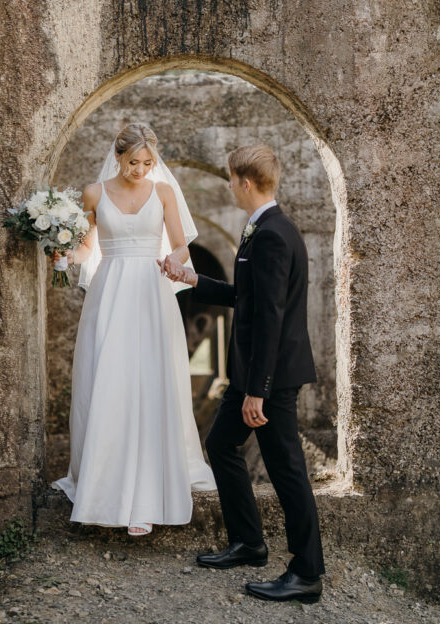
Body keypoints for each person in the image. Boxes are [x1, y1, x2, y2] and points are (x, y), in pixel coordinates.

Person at [160, 144, 325, 603]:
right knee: (220, 444)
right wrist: (193, 279)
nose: (229, 187)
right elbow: (247, 298)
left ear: (245, 183)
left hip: (267, 378)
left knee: (287, 470)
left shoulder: (273, 233)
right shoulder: (264, 228)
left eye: (231, 179)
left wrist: (257, 391)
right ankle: (249, 543)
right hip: (252, 374)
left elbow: (270, 318)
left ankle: (307, 572)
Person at [51, 122, 216, 536]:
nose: (140, 169)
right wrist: (65, 253)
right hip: (109, 291)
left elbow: (180, 243)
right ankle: (101, 484)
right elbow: (89, 247)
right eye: (133, 162)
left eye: (148, 162)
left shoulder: (162, 193)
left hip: (150, 290)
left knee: (150, 380)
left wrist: (173, 260)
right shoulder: (94, 192)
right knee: (107, 378)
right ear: (118, 156)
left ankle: (146, 494)